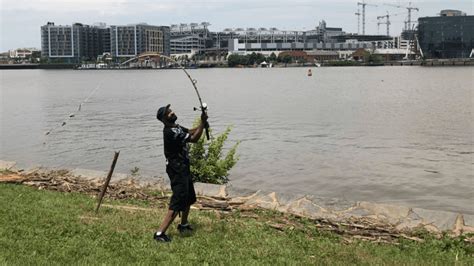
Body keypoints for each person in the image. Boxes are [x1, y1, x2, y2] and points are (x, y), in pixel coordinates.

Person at [154, 104, 208, 242]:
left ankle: (183, 224)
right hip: (176, 169)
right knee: (178, 201)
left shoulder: (176, 127)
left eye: (171, 110)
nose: (172, 112)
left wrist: (202, 123)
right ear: (163, 118)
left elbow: (190, 132)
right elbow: (194, 139)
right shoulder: (169, 132)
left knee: (189, 197)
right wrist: (202, 124)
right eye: (169, 112)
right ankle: (160, 234)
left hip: (183, 167)